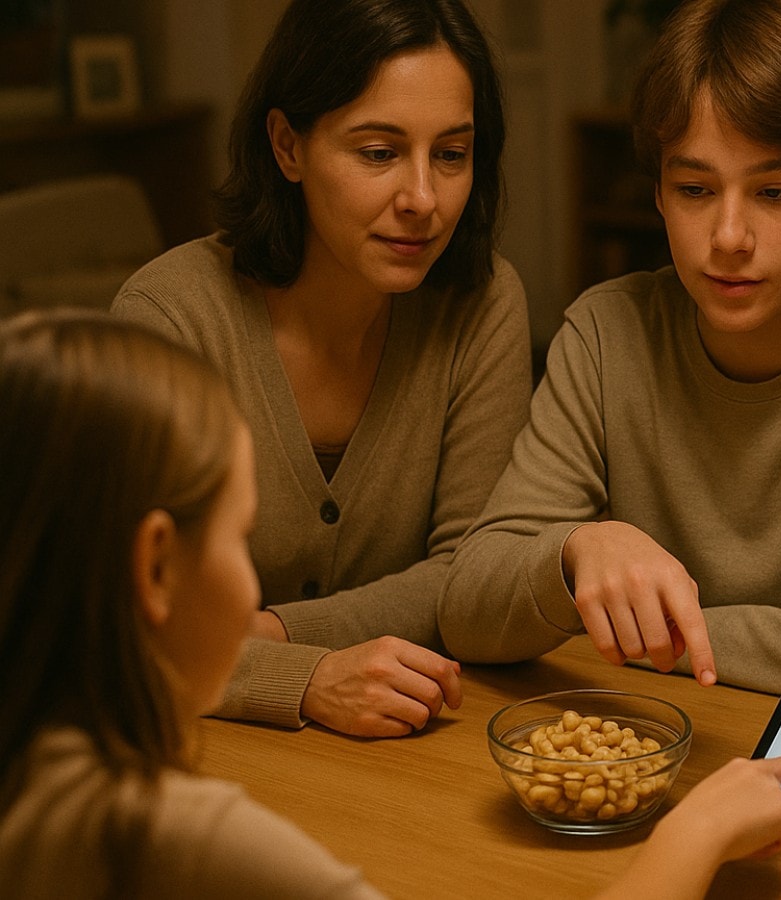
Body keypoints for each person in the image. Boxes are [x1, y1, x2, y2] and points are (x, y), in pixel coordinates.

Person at [0, 311, 781, 899]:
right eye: (239, 536)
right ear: (154, 569)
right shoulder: (165, 832)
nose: (254, 592)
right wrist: (694, 836)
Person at [438, 0, 781, 693]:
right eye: (694, 189)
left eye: (774, 192)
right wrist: (576, 553)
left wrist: (648, 634)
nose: (728, 236)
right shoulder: (605, 334)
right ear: (658, 193)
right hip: (643, 740)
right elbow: (468, 607)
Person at [112, 0, 532, 738]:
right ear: (287, 146)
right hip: (193, 753)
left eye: (452, 154)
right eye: (378, 152)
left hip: (414, 745)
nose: (423, 200)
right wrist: (301, 679)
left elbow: (471, 575)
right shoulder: (170, 319)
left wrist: (271, 631)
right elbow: (120, 627)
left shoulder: (482, 302)